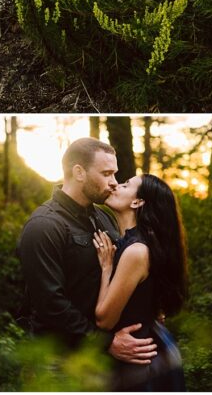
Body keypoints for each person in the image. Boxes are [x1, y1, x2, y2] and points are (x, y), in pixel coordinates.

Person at [17, 139, 159, 380]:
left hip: (97, 362)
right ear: (79, 173)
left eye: (115, 173)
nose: (114, 182)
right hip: (57, 363)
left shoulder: (104, 218)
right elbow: (51, 304)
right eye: (106, 174)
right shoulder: (44, 226)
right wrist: (106, 342)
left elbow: (122, 274)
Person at [93, 175, 188, 391]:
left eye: (126, 185)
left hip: (138, 361)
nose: (116, 184)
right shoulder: (136, 242)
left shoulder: (136, 251)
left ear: (137, 202)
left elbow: (104, 320)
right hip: (145, 349)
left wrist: (106, 269)